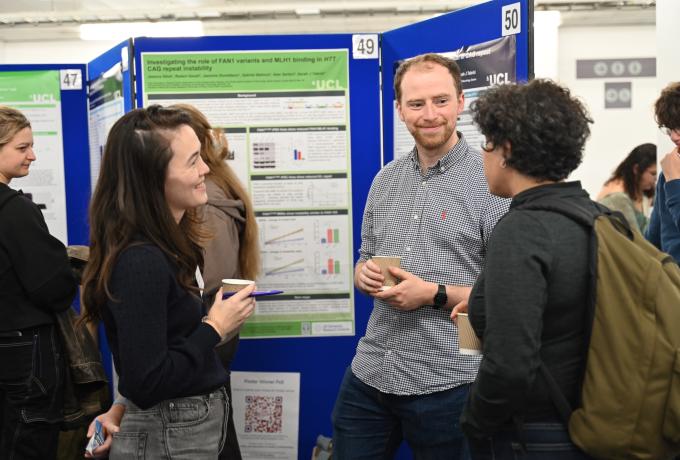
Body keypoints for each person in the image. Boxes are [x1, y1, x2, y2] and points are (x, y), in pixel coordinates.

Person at [331, 53, 509, 458]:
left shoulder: (491, 182)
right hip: (373, 370)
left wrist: (431, 293)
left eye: (441, 101)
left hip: (452, 379)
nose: (430, 114)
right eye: (416, 104)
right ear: (399, 109)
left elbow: (503, 290)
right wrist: (364, 274)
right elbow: (369, 256)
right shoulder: (386, 180)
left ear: (462, 103)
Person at [80, 105, 256, 459]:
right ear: (153, 176)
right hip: (174, 436)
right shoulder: (140, 261)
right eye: (192, 161)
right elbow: (148, 381)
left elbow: (151, 354)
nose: (206, 169)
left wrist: (121, 404)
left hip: (191, 425)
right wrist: (214, 328)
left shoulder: (173, 244)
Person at [454, 79, 594, 458]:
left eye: (486, 143)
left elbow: (511, 364)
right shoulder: (597, 216)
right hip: (591, 419)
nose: (482, 155)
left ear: (507, 151)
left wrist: (475, 420)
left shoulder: (523, 229)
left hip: (534, 434)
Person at [0, 106, 77, 459]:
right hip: (23, 353)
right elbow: (54, 288)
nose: (32, 155)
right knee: (28, 443)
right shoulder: (15, 210)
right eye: (21, 148)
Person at [646, 81, 680, 262]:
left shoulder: (672, 176)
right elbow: (654, 238)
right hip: (671, 283)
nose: (674, 137)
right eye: (669, 128)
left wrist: (675, 183)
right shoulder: (667, 173)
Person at [597, 143, 656, 233]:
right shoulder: (617, 197)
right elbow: (634, 240)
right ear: (636, 169)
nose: (655, 179)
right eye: (653, 173)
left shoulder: (642, 189)